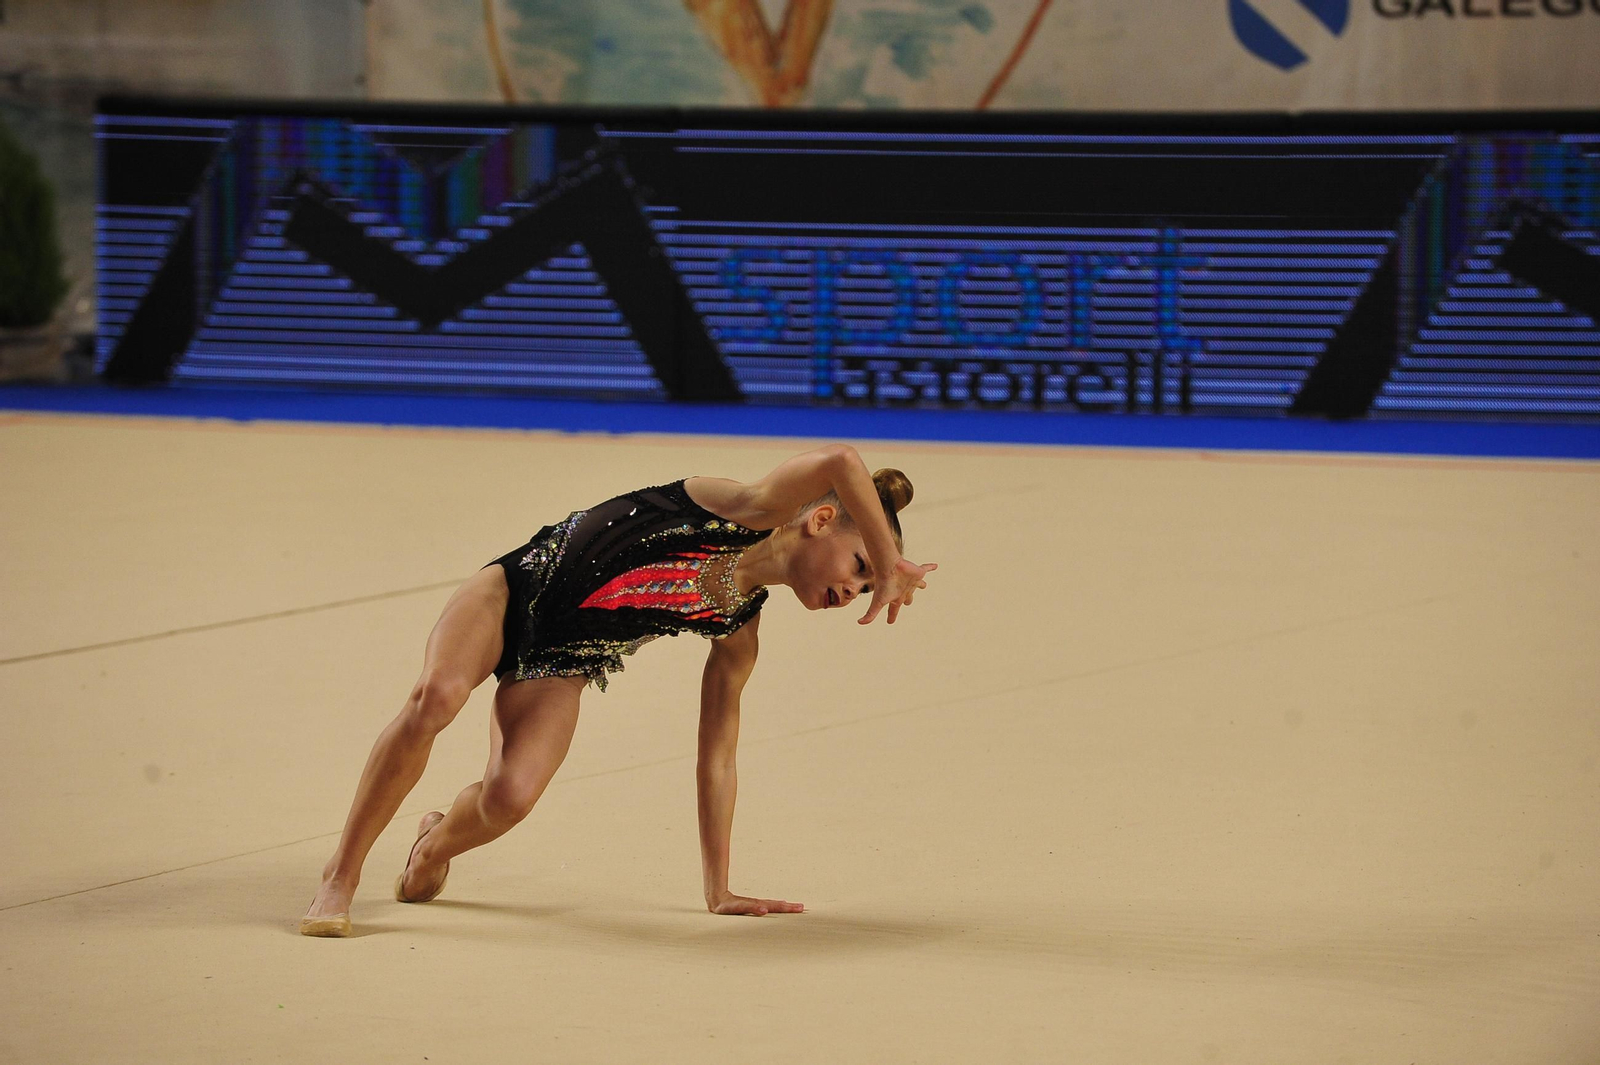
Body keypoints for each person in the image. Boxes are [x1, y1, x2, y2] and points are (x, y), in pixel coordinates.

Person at [300, 443, 935, 937]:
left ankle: (431, 845)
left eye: (868, 583)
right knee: (436, 699)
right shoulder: (743, 508)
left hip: (562, 661)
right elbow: (840, 460)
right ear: (823, 519)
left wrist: (720, 888)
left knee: (512, 797)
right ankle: (341, 874)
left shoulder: (737, 626)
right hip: (514, 592)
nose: (858, 591)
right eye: (861, 568)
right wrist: (894, 563)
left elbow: (717, 754)